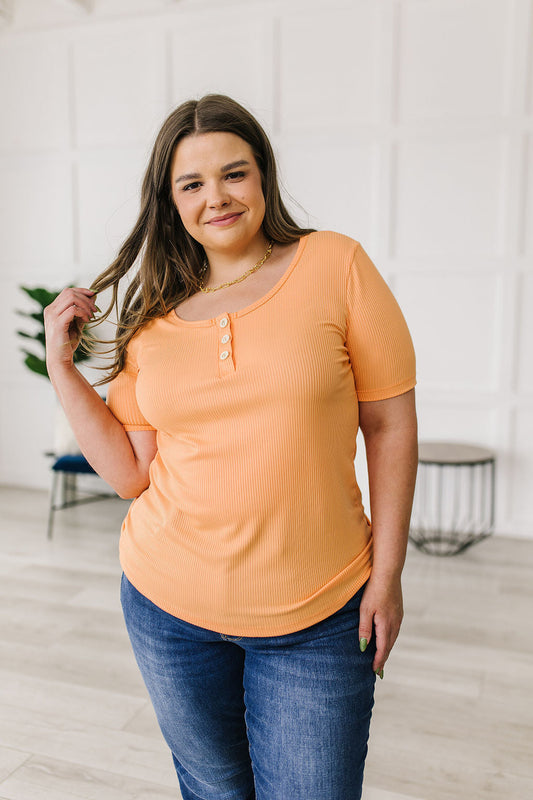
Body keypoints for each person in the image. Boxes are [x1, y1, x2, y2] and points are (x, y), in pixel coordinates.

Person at [44, 94, 418, 800]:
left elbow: (390, 425)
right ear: (170, 201)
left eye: (233, 173)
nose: (216, 197)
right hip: (167, 609)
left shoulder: (334, 265)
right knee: (213, 792)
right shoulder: (153, 319)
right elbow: (129, 474)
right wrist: (62, 368)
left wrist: (389, 572)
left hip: (318, 616)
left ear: (263, 176)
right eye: (192, 184)